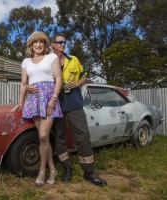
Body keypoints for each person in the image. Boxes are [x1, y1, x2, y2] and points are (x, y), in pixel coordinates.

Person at [28, 33, 107, 187]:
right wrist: (30, 87)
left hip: (74, 102)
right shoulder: (46, 60)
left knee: (82, 135)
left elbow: (85, 77)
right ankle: (67, 169)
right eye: (60, 42)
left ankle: (89, 172)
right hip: (55, 103)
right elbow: (35, 76)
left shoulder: (74, 60)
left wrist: (77, 83)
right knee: (59, 137)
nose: (63, 44)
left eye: (64, 42)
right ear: (53, 44)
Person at [10, 31, 63, 187]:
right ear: (31, 45)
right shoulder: (26, 62)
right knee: (44, 138)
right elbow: (24, 83)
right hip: (33, 99)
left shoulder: (51, 57)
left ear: (45, 44)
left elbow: (58, 79)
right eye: (35, 42)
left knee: (43, 135)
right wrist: (21, 101)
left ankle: (41, 171)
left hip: (48, 98)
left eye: (41, 42)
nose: (38, 45)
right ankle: (52, 170)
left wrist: (53, 99)